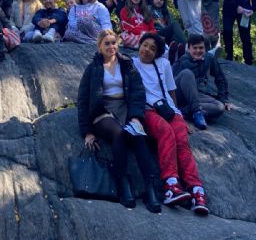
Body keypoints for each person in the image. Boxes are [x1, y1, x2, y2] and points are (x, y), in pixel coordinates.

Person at [78, 29, 161, 213]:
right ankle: (123, 182)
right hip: (103, 110)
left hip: (124, 108)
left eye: (113, 42)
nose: (111, 46)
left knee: (138, 136)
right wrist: (87, 132)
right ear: (99, 46)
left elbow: (138, 92)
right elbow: (83, 100)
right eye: (106, 43)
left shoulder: (126, 64)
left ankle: (150, 188)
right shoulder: (93, 68)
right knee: (119, 133)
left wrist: (136, 117)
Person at [132, 33, 209, 215]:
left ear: (158, 53)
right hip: (148, 110)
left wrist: (178, 115)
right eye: (145, 45)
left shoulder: (164, 64)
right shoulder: (131, 64)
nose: (147, 50)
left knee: (182, 142)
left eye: (152, 48)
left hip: (168, 109)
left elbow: (171, 91)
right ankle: (171, 184)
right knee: (166, 133)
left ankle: (196, 189)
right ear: (139, 45)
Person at [172, 34, 232, 130]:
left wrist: (223, 98)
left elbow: (220, 78)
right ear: (189, 49)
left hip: (197, 96)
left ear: (205, 48)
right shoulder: (182, 61)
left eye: (201, 48)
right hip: (180, 95)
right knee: (187, 73)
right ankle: (196, 112)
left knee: (219, 107)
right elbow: (170, 82)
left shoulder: (209, 58)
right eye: (195, 48)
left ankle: (183, 111)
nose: (198, 51)